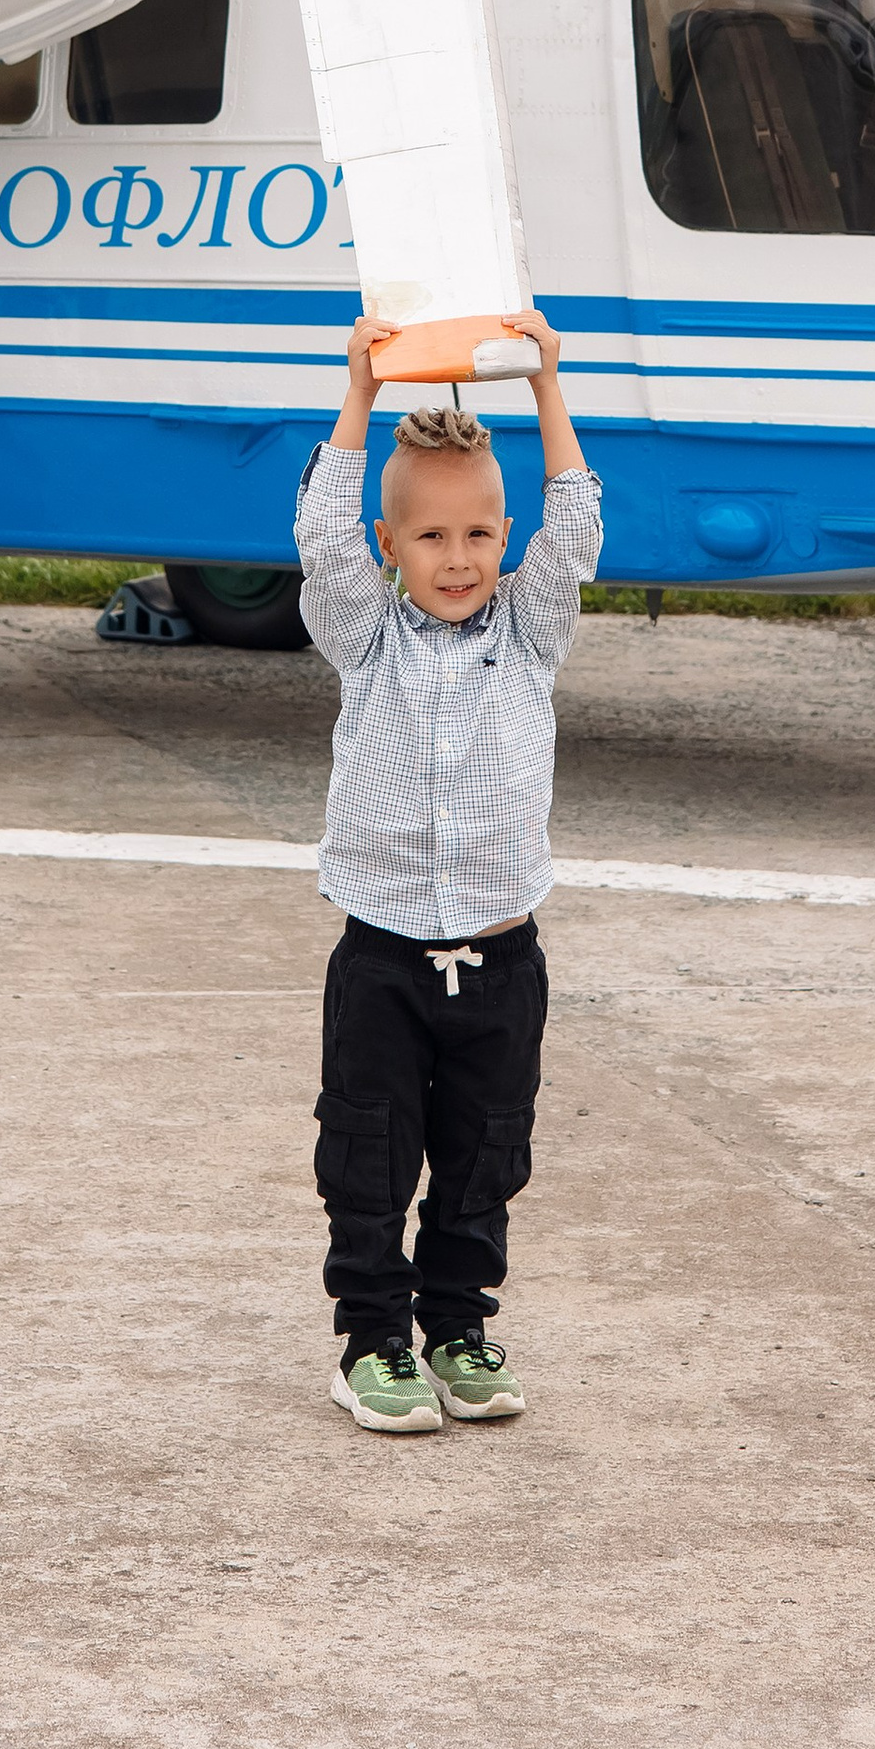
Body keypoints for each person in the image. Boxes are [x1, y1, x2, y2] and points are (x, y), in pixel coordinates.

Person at [295, 312, 601, 1434]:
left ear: (506, 537)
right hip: (382, 958)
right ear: (391, 543)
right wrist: (360, 393)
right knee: (368, 1157)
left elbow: (576, 524)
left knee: (484, 1157)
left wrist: (547, 386)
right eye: (431, 537)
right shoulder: (363, 637)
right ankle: (372, 1343)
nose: (459, 558)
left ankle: (459, 1332)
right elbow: (320, 534)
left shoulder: (531, 632)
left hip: (502, 960)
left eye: (479, 533)